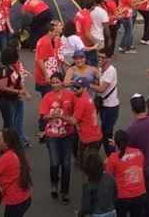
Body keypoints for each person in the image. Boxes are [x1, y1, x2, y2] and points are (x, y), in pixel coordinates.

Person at [39, 72, 75, 204]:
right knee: (54, 163)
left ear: (62, 83)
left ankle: (65, 192)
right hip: (52, 135)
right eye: (53, 83)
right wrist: (51, 115)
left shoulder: (70, 95)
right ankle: (54, 183)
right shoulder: (47, 97)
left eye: (57, 82)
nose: (55, 85)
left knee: (66, 165)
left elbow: (75, 112)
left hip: (67, 134)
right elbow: (43, 116)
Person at [126, 94, 149, 217]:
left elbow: (128, 149)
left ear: (132, 109)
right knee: (148, 195)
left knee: (139, 198)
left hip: (139, 167)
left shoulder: (132, 128)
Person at [105, 130, 146, 217]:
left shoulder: (113, 158)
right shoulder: (139, 152)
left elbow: (109, 176)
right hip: (140, 193)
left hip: (123, 196)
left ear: (115, 142)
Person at [65, 78, 103, 167]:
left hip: (89, 138)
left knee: (88, 164)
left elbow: (73, 121)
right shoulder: (87, 97)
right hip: (94, 135)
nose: (75, 89)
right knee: (87, 161)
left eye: (78, 87)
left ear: (85, 88)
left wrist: (61, 116)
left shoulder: (81, 102)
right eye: (74, 86)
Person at [89, 49, 119, 156]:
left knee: (107, 134)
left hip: (111, 107)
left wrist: (87, 84)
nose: (100, 59)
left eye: (103, 57)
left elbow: (101, 89)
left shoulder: (111, 71)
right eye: (99, 57)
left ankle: (112, 157)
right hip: (103, 104)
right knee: (104, 131)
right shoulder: (101, 69)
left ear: (109, 59)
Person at [0, 47, 29, 136]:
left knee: (16, 121)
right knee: (9, 123)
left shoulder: (13, 67)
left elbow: (18, 80)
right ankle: (5, 142)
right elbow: (3, 87)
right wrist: (18, 91)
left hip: (14, 98)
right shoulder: (4, 70)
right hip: (5, 100)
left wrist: (24, 92)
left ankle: (16, 139)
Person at [79, 151, 117, 217]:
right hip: (111, 211)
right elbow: (115, 195)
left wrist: (81, 214)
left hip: (97, 213)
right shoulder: (110, 178)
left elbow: (86, 206)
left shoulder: (88, 186)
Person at [34, 22, 63, 97]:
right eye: (54, 32)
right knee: (49, 97)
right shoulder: (45, 42)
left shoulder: (46, 40)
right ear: (50, 32)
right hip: (45, 76)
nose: (55, 34)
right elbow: (40, 60)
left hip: (47, 74)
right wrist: (46, 75)